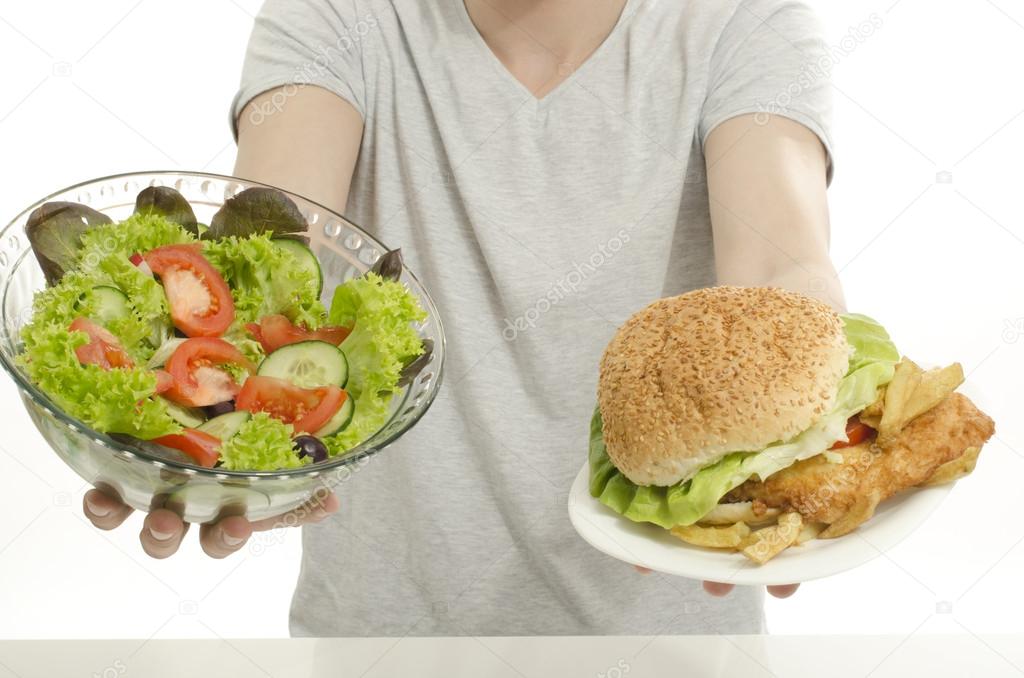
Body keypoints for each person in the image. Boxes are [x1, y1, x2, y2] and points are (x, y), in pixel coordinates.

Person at [84, 0, 842, 635]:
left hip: (671, 641)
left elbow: (781, 272)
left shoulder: (743, 17)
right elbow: (275, 263)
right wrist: (195, 438)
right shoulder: (338, 13)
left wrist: (815, 453)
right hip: (381, 646)